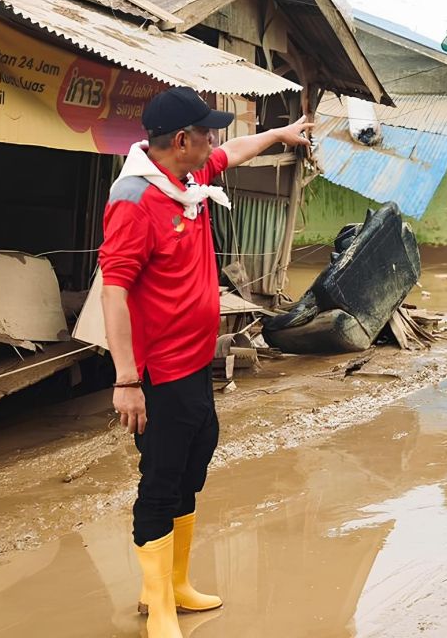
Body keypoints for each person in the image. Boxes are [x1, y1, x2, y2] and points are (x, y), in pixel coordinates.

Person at [101, 87, 313, 638]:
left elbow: (237, 150)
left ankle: (175, 585)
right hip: (159, 375)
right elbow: (114, 291)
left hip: (195, 363)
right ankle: (157, 606)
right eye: (207, 132)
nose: (215, 140)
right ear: (181, 140)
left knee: (194, 465)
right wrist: (126, 380)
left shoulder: (188, 179)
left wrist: (280, 135)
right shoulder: (135, 199)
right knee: (161, 482)